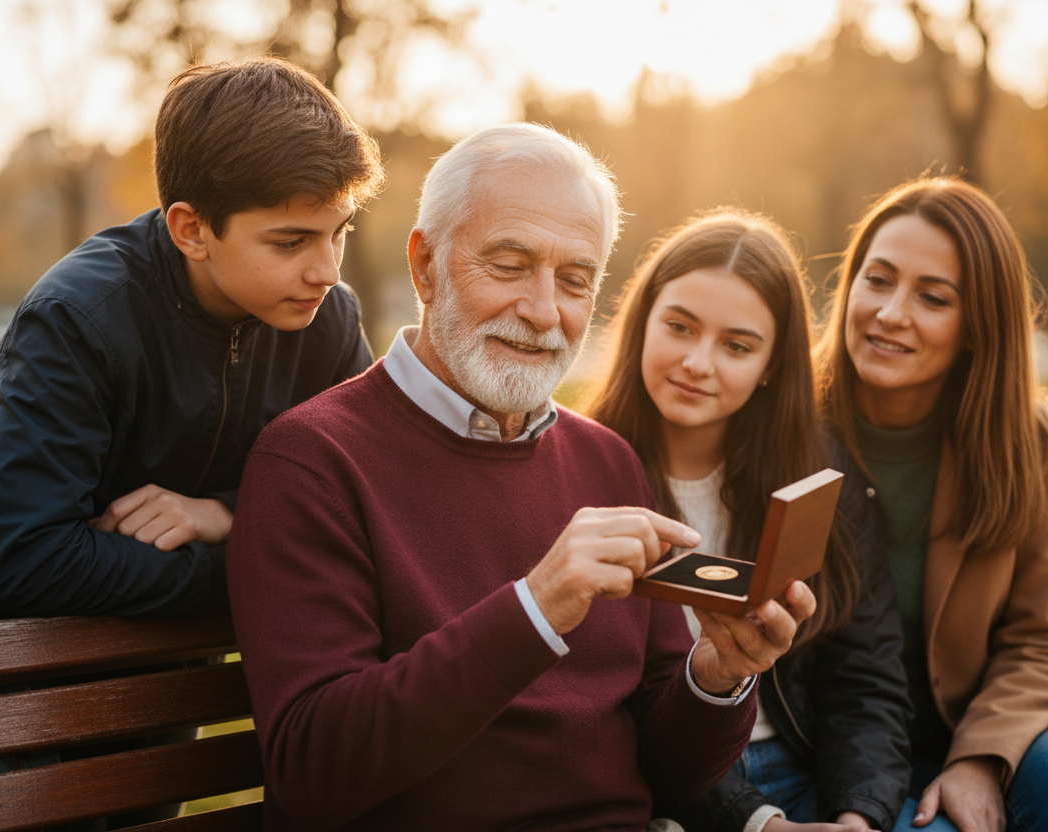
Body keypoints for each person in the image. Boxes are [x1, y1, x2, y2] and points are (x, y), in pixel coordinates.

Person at [226, 124, 817, 832]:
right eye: (509, 265)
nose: (543, 311)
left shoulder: (609, 461)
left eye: (575, 281)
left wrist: (715, 678)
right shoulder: (311, 461)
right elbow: (312, 772)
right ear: (426, 266)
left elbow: (667, 775)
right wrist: (535, 608)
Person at [0, 56, 383, 826]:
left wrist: (228, 514)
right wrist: (254, 562)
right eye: (290, 241)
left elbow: (368, 506)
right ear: (191, 229)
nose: (325, 270)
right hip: (36, 691)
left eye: (337, 233)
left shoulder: (328, 322)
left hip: (177, 674)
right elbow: (23, 560)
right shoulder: (75, 322)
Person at [814, 176, 1048, 832]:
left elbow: (1044, 639)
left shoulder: (1028, 440)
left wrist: (981, 757)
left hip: (989, 719)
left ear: (978, 327)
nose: (890, 313)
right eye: (878, 280)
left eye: (932, 297)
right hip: (832, 741)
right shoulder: (788, 421)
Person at [586, 209, 911, 832]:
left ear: (772, 364)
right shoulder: (581, 473)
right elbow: (609, 709)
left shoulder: (821, 475)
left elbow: (865, 678)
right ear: (642, 321)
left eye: (736, 345)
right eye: (679, 327)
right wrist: (761, 823)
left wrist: (858, 816)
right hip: (666, 790)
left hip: (809, 767)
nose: (697, 362)